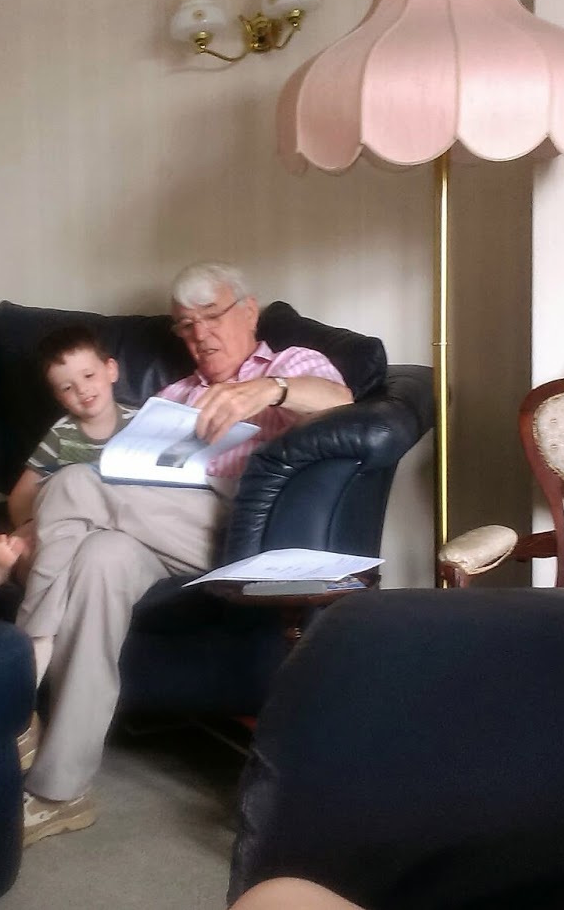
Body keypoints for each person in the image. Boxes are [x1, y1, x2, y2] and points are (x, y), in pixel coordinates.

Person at [19, 261, 353, 846]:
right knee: (99, 557)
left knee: (71, 484)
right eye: (185, 325)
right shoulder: (173, 396)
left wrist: (267, 390)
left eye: (211, 317)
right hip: (153, 525)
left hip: (233, 527)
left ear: (249, 311)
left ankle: (23, 661)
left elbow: (342, 401)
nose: (200, 335)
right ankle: (61, 788)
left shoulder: (290, 364)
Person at [0, 324, 137, 691]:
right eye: (67, 388)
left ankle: (29, 665)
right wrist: (31, 525)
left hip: (112, 524)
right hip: (65, 526)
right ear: (59, 397)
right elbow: (22, 493)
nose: (83, 391)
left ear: (111, 369)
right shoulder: (63, 434)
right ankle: (6, 561)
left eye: (88, 376)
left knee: (72, 560)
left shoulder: (140, 425)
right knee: (50, 534)